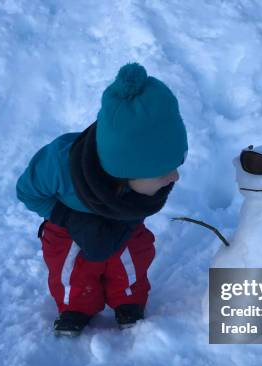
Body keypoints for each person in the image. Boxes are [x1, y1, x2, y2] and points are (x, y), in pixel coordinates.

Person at [16, 62, 188, 336]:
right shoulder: (60, 163)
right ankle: (76, 307)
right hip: (68, 228)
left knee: (132, 258)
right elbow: (27, 191)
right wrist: (65, 217)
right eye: (164, 173)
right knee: (71, 268)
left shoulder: (142, 176)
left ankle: (128, 301)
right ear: (126, 172)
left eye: (176, 165)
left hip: (124, 217)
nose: (175, 177)